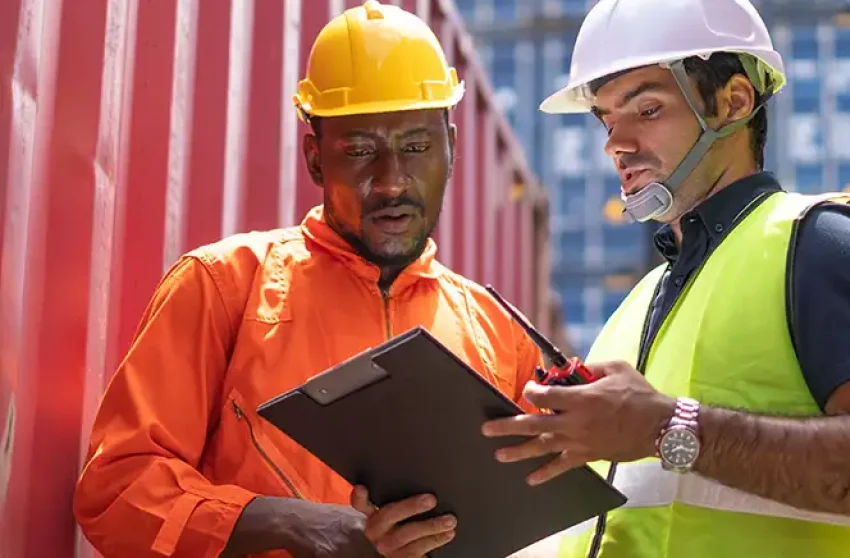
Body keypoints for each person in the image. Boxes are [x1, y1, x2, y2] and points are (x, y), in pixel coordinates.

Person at [72, 2, 543, 557]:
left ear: (452, 148)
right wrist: (286, 522)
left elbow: (544, 525)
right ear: (315, 158)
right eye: (361, 150)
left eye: (416, 147)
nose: (392, 182)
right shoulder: (223, 286)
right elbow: (116, 490)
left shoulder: (499, 335)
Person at [483, 0, 850, 557]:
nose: (616, 143)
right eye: (607, 120)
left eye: (647, 110)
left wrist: (665, 428)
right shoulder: (635, 308)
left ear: (733, 103)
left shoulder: (819, 242)